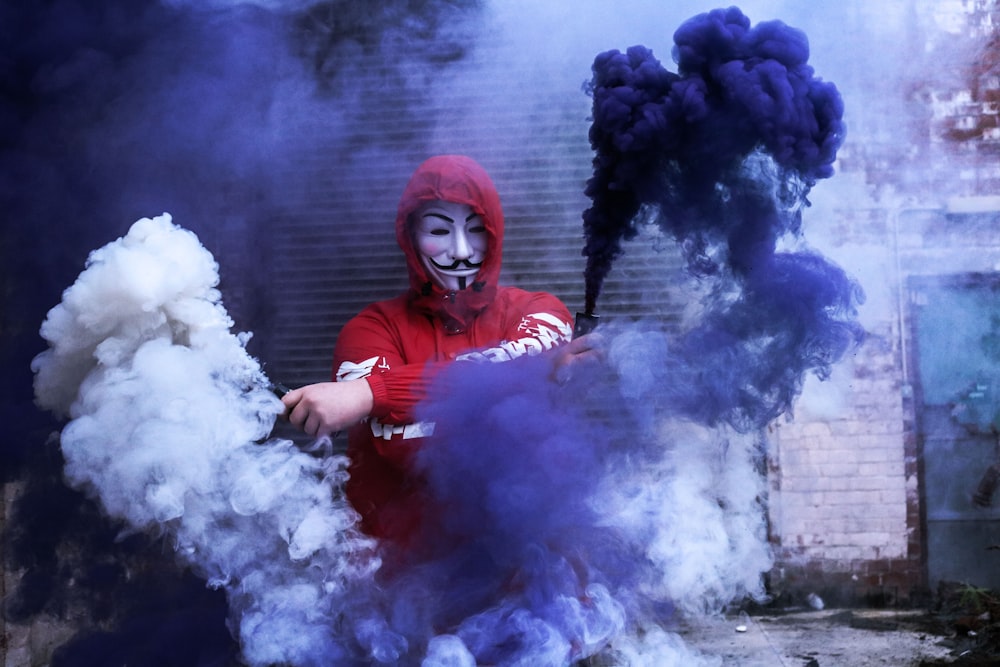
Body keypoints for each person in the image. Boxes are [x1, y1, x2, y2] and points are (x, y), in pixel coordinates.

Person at [281, 154, 596, 544]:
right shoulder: (368, 330)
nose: (462, 251)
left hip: (529, 569)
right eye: (440, 231)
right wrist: (524, 390)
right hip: (398, 579)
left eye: (477, 229)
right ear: (410, 237)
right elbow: (402, 447)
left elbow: (519, 375)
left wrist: (370, 393)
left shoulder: (540, 310)